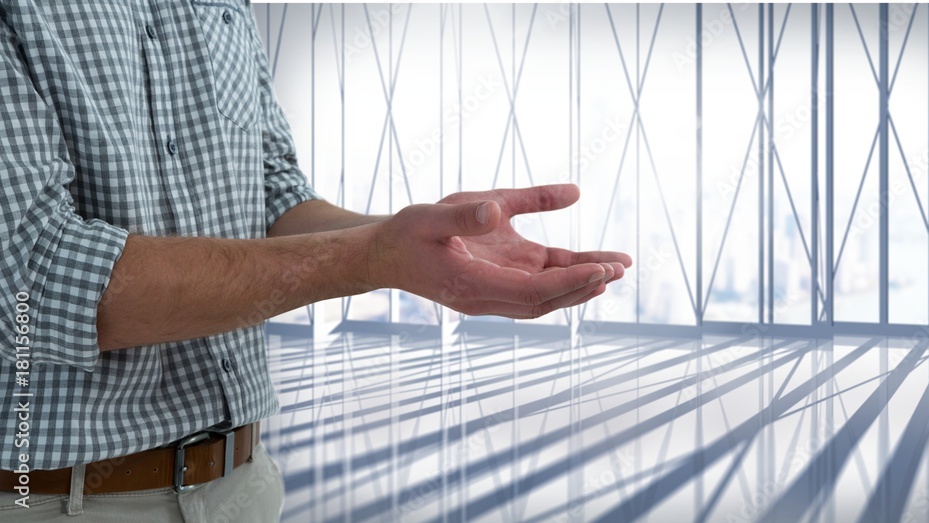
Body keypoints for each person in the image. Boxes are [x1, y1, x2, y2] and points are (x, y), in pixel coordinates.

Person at [0, 0, 630, 521]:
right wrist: (374, 257)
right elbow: (38, 281)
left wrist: (420, 239)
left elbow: (273, 192)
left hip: (243, 484)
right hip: (61, 500)